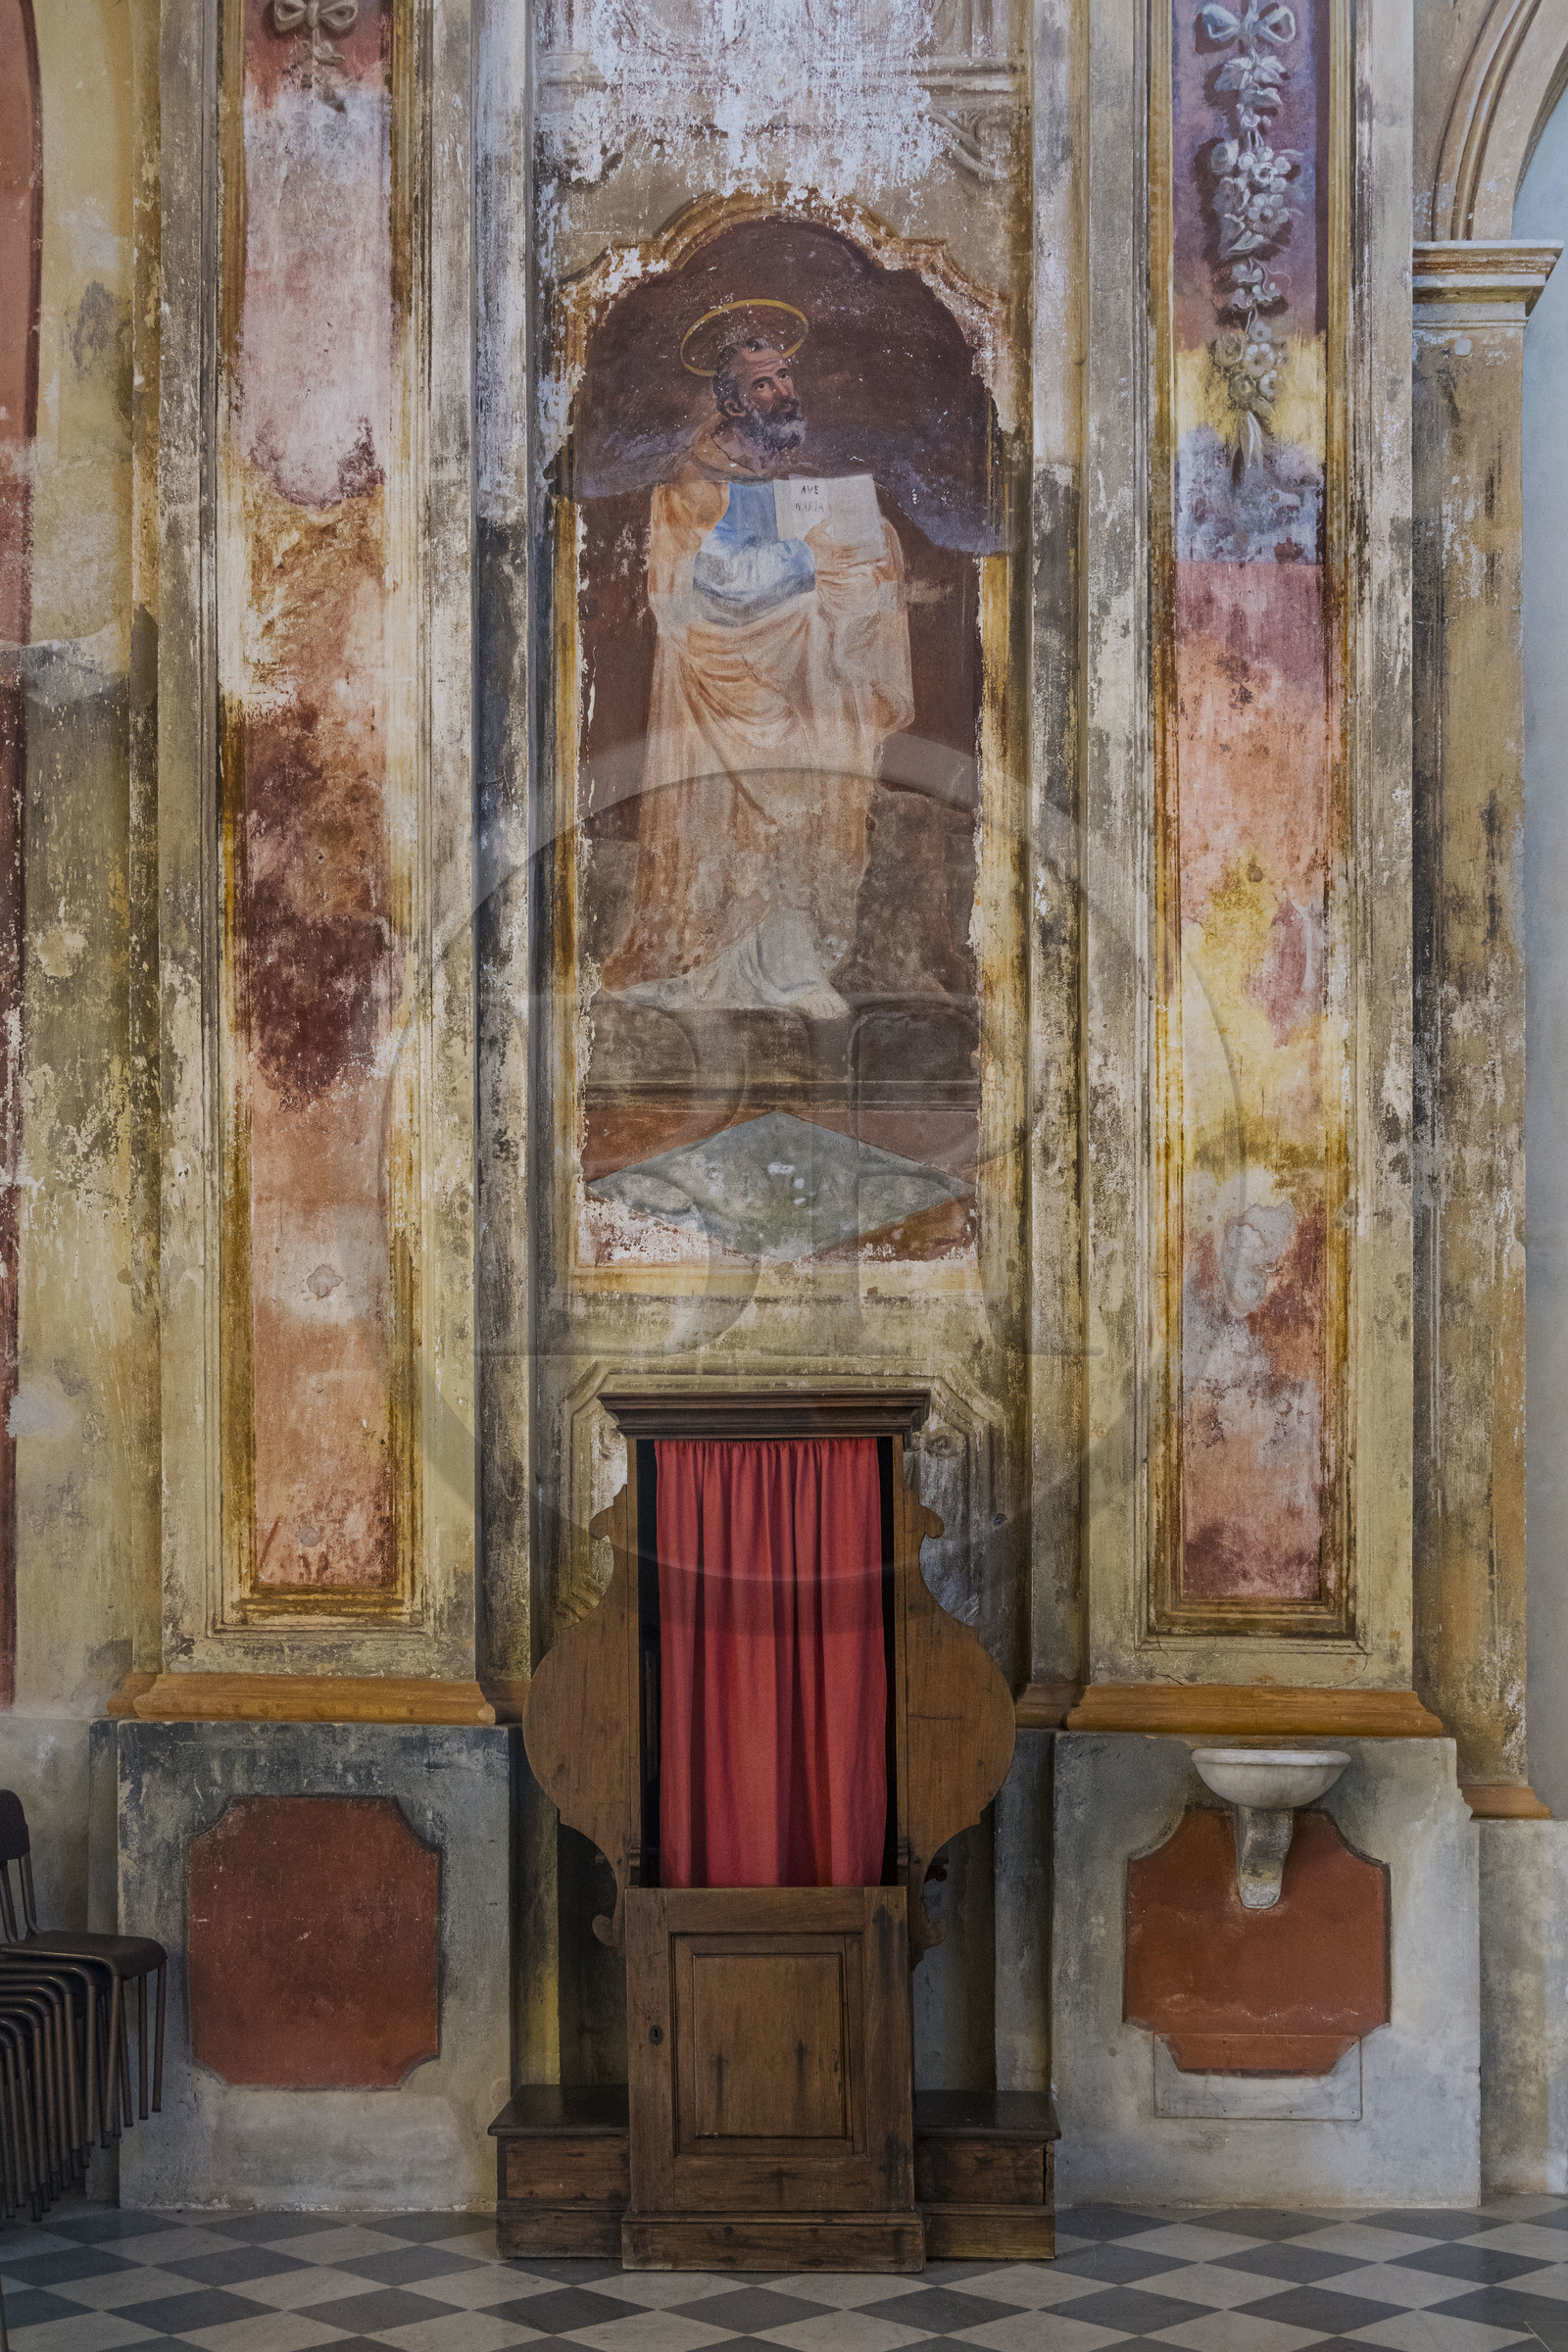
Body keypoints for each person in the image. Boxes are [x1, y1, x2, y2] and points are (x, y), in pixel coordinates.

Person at [599, 319, 914, 1020]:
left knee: (808, 795)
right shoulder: (688, 483)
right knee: (734, 815)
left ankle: (795, 965)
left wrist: (859, 554)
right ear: (734, 402)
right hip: (722, 681)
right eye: (763, 382)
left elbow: (844, 552)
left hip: (803, 677)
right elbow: (681, 595)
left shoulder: (794, 477)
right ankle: (712, 961)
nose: (782, 391)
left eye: (785, 377)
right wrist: (802, 566)